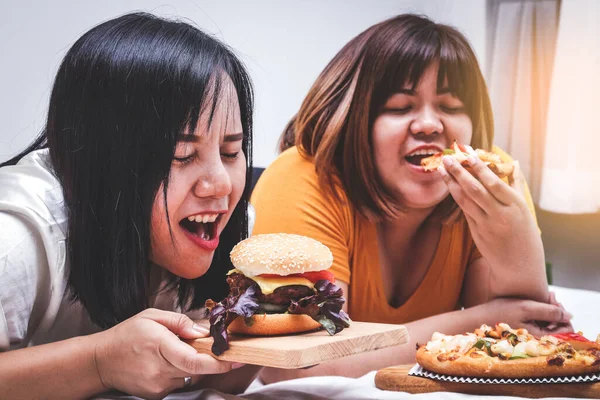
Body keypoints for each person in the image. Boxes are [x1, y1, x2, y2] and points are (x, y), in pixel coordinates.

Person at [250, 14, 573, 381]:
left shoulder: (491, 176)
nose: (430, 125)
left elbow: (526, 335)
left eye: (451, 107)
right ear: (354, 120)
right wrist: (475, 321)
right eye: (400, 107)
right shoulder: (303, 176)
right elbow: (293, 368)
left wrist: (518, 244)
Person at [0, 13, 261, 399]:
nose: (221, 184)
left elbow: (223, 382)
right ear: (105, 161)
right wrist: (99, 362)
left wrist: (255, 348)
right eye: (183, 154)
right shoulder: (17, 238)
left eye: (231, 151)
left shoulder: (234, 231)